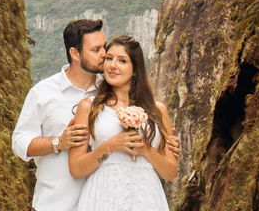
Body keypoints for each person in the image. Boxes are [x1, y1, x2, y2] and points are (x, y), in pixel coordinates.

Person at [68, 35, 177, 211]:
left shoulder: (157, 111)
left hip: (146, 197)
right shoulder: (89, 107)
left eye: (122, 61)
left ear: (135, 69)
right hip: (104, 195)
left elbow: (171, 172)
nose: (113, 65)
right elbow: (76, 169)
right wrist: (110, 146)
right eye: (109, 59)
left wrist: (147, 151)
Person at [13, 19, 107, 211]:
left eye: (104, 47)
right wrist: (58, 142)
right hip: (53, 205)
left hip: (102, 203)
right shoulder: (42, 92)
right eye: (96, 50)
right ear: (75, 53)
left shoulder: (111, 92)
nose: (104, 54)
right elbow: (19, 142)